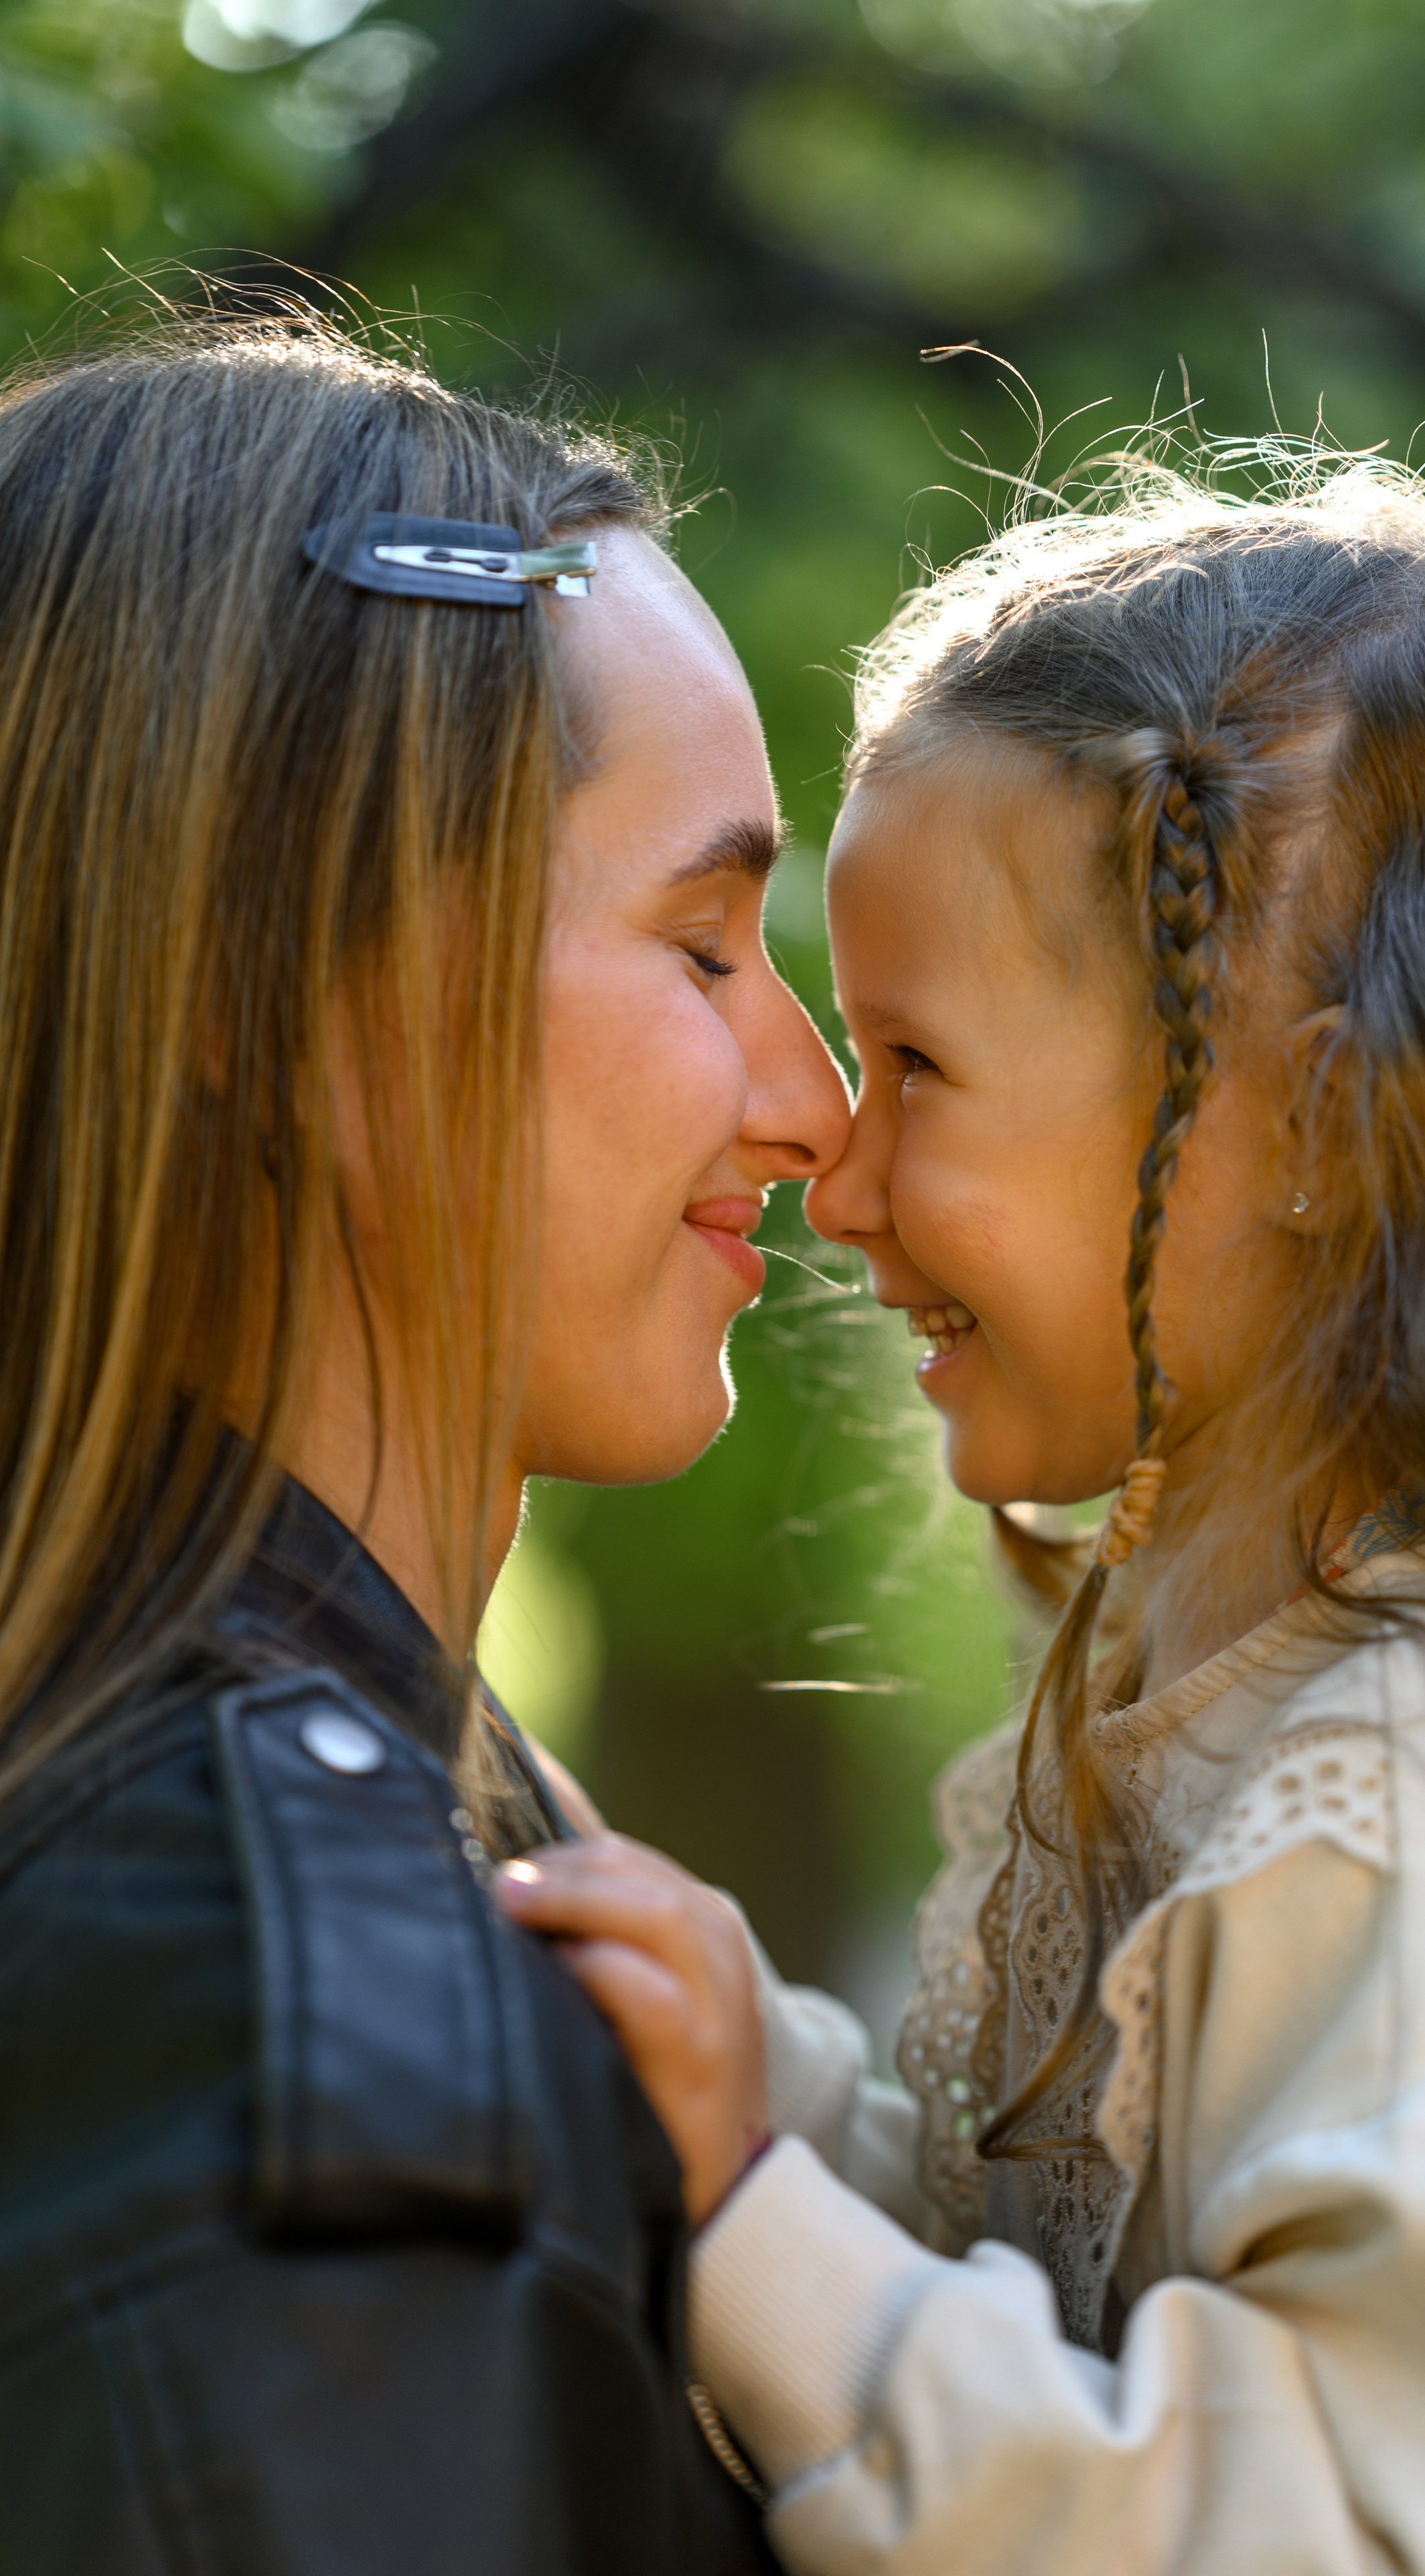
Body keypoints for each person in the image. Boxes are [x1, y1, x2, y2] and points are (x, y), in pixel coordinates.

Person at [498, 455, 1425, 2572]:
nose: (836, 1181)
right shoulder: (1241, 1685)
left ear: (1328, 1119)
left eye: (919, 1066)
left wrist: (757, 2229)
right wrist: (753, 2099)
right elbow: (1067, 2305)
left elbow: (1386, 2529)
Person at [0, 309, 848, 2573]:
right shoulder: (296, 2050)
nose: (816, 1107)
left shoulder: (263, 1915)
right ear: (271, 981)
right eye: (702, 947)